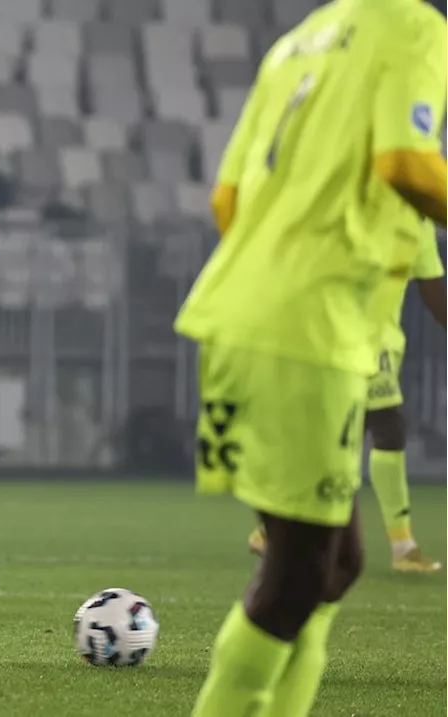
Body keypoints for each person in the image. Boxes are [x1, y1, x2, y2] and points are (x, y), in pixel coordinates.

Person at [174, 2, 448, 715]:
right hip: (308, 331)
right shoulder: (416, 29)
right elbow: (406, 161)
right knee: (298, 573)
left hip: (245, 314)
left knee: (336, 564)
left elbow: (227, 197)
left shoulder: (295, 42)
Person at [247, 222, 448, 573]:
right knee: (375, 427)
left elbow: (431, 287)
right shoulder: (359, 206)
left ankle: (276, 527)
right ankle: (400, 547)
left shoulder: (417, 222)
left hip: (380, 339)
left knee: (363, 429)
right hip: (342, 332)